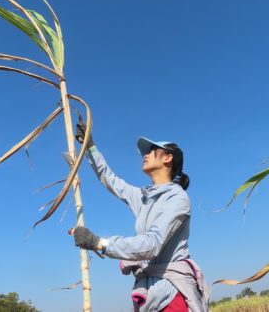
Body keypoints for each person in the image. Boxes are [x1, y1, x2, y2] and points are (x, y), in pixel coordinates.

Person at [71, 120, 209, 312]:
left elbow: (152, 244)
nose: (146, 155)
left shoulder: (178, 198)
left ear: (168, 158)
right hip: (150, 293)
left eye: (152, 151)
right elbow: (110, 180)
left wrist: (99, 243)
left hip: (171, 293)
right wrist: (90, 147)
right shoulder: (144, 198)